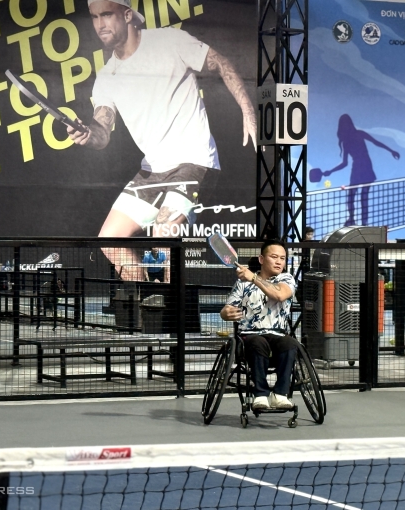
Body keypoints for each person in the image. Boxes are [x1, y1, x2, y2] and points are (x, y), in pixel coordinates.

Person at [69, 0, 256, 280]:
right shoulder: (107, 76)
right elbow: (102, 131)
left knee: (163, 232)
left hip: (194, 160)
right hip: (153, 170)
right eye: (95, 17)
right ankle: (148, 299)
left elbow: (220, 62)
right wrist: (87, 134)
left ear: (127, 15)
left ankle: (171, 304)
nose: (100, 24)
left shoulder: (170, 41)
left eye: (106, 14)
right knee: (109, 239)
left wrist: (247, 110)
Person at [220, 240, 297, 410]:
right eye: (274, 257)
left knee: (290, 343)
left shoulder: (287, 279)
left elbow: (280, 295)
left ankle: (280, 394)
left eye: (282, 258)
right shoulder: (242, 283)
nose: (279, 262)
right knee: (257, 342)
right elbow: (226, 309)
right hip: (249, 336)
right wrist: (226, 313)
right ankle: (261, 394)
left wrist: (254, 278)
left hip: (277, 334)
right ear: (261, 259)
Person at [327, 114, 399, 227]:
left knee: (361, 196)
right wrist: (331, 171)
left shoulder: (357, 135)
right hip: (359, 167)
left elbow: (375, 142)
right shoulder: (347, 141)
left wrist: (391, 150)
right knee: (354, 196)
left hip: (364, 166)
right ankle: (354, 219)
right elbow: (344, 163)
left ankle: (361, 222)